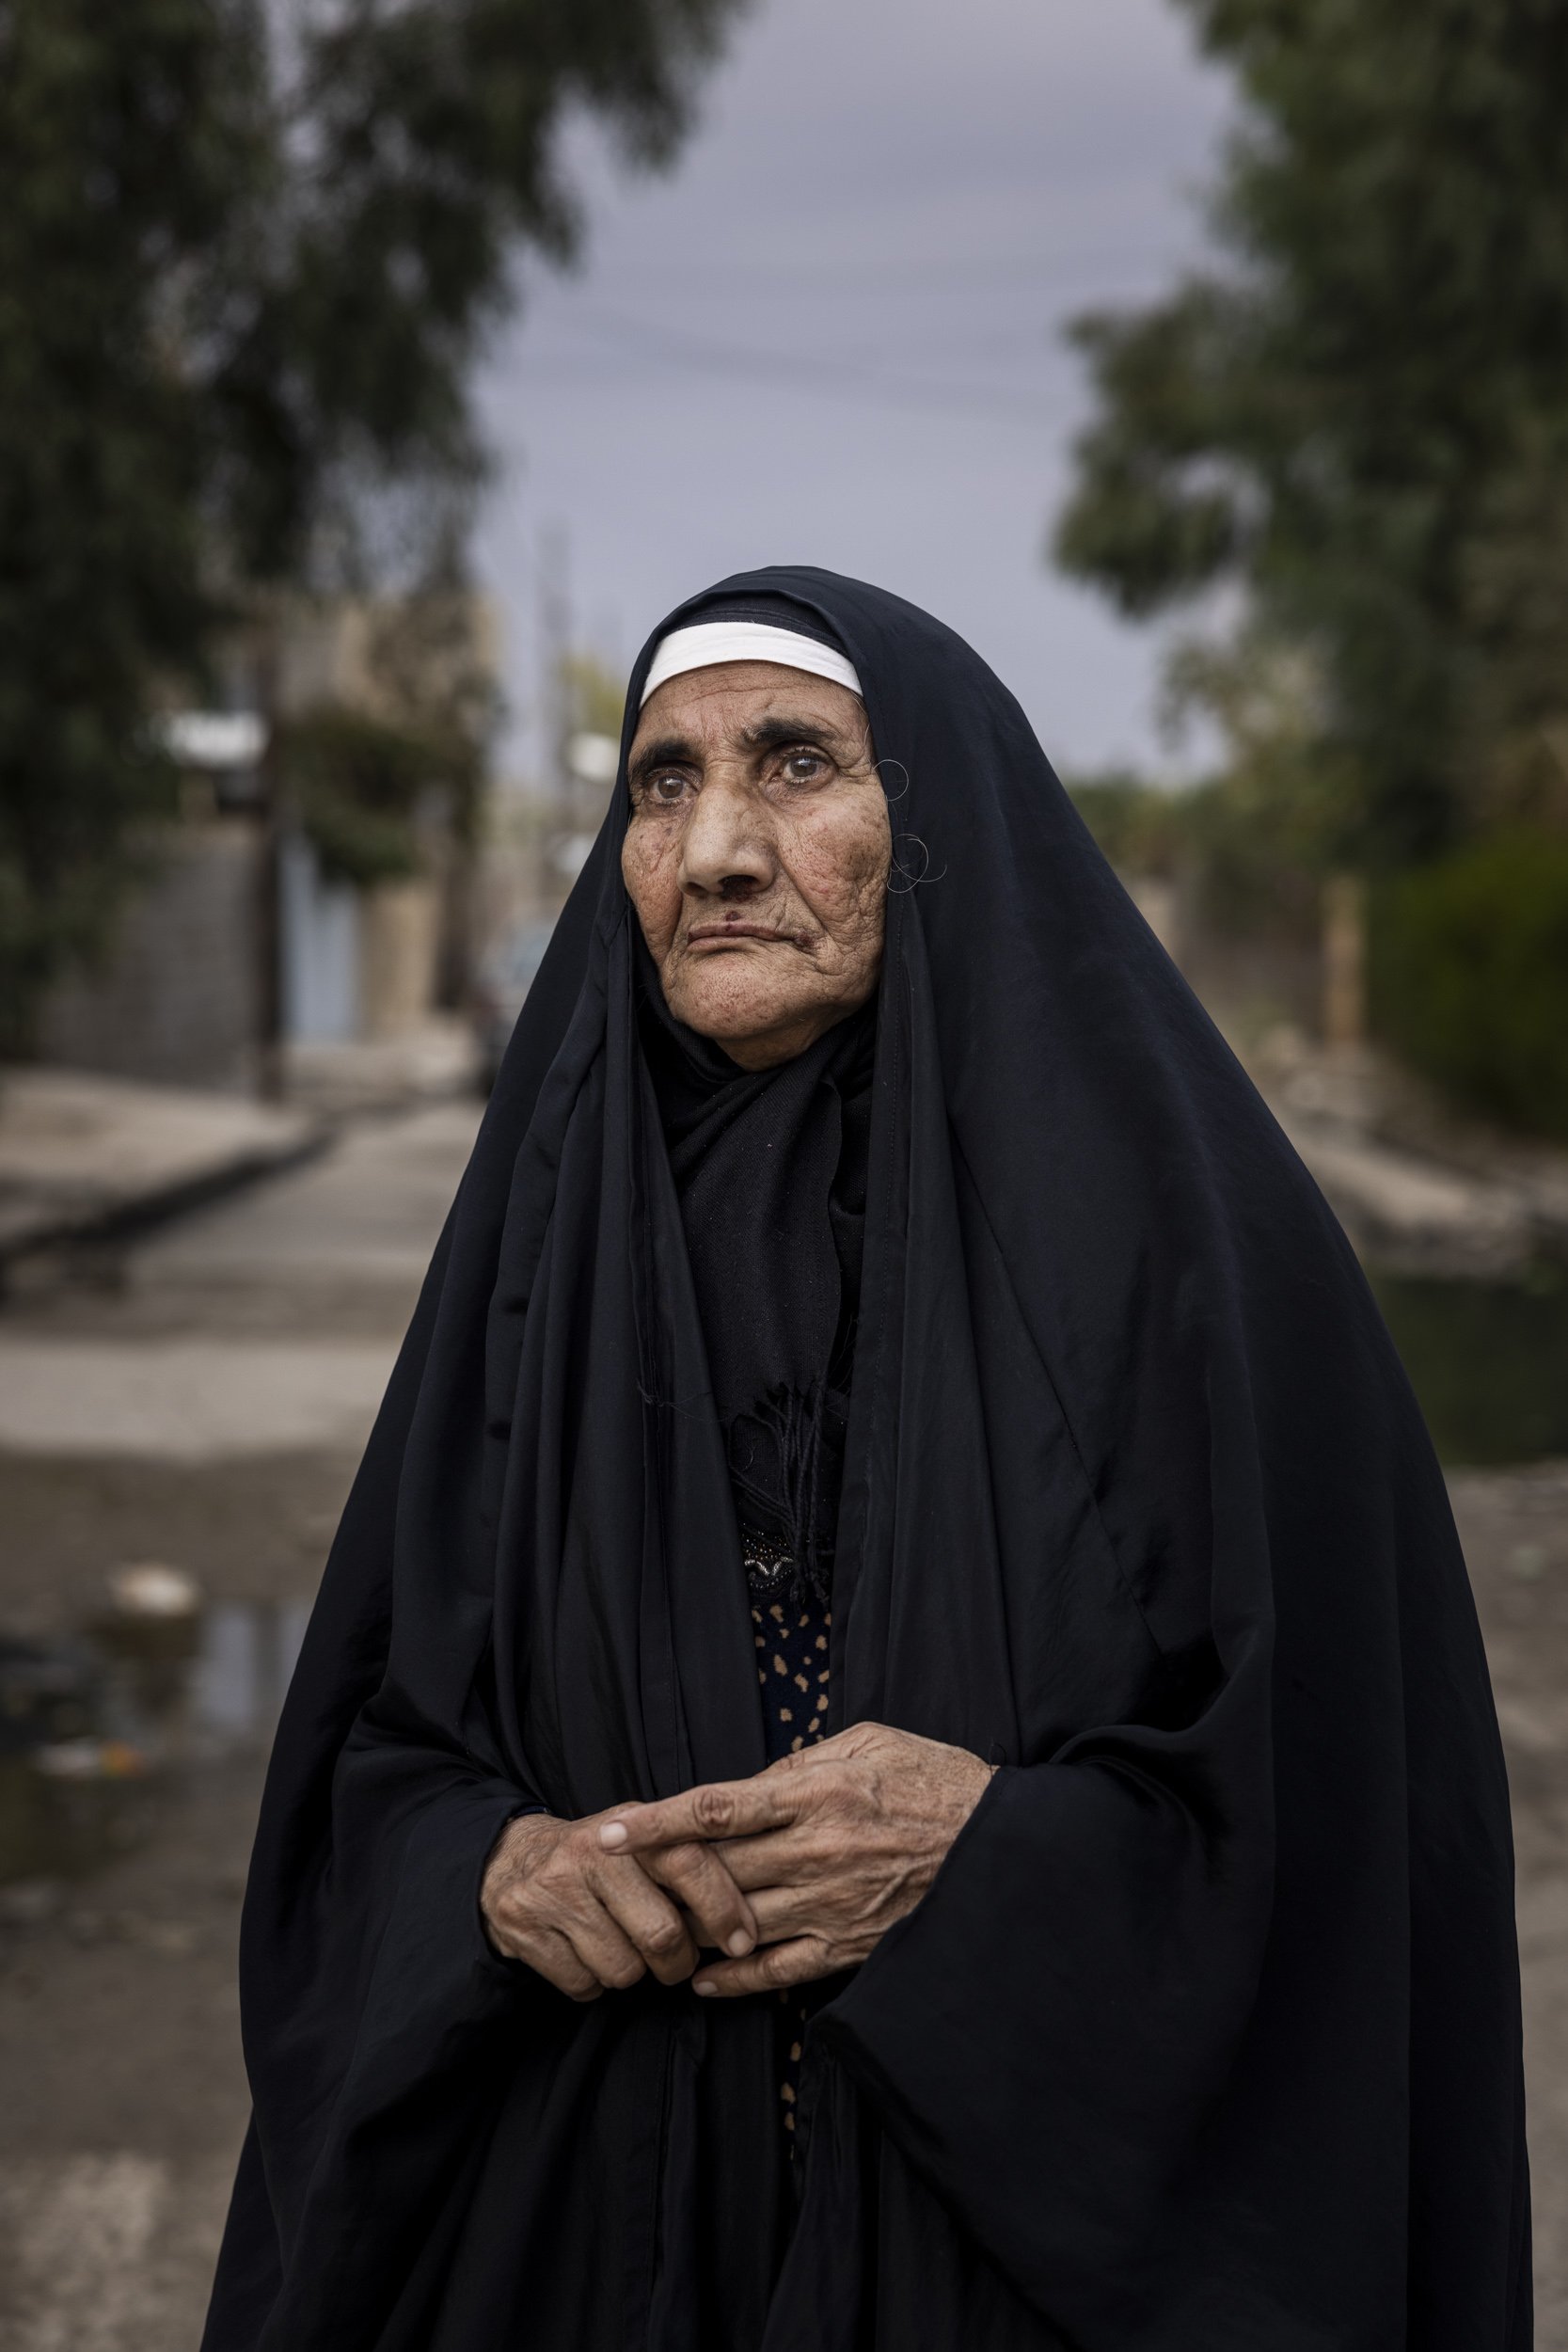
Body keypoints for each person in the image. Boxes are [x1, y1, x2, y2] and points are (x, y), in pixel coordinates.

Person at [202, 571, 1530, 2352]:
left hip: (1006, 2267)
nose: (720, 846)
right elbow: (376, 1754)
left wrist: (995, 1854)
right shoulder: (548, 1250)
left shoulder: (1183, 1263)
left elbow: (1346, 1804)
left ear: (939, 819)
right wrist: (495, 1873)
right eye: (661, 784)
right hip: (586, 2239)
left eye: (798, 764)